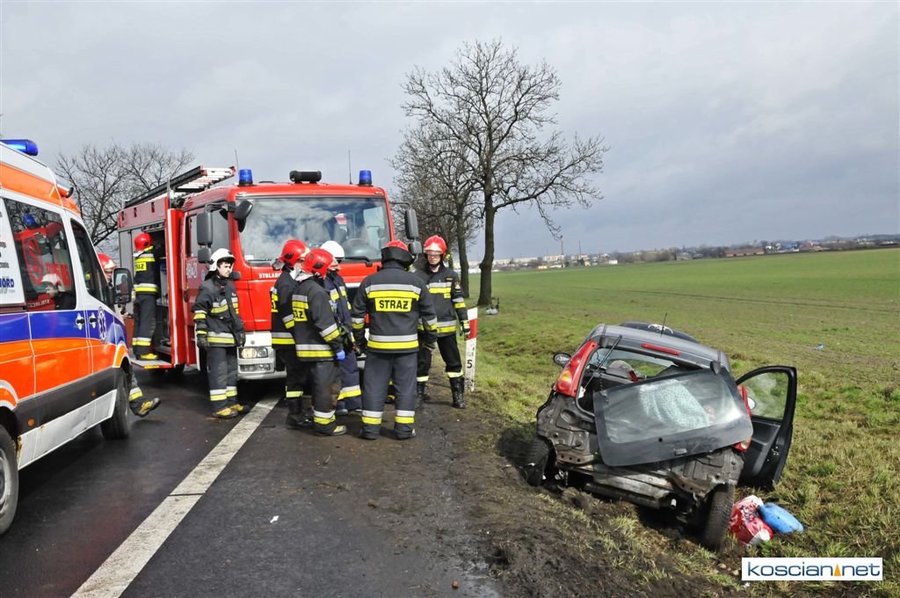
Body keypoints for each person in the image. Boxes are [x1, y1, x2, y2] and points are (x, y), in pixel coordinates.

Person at [351, 240, 437, 441]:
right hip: (407, 349)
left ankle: (370, 430)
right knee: (405, 388)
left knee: (374, 387)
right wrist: (429, 341)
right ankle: (404, 430)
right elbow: (430, 318)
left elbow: (357, 318)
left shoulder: (369, 282)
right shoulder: (416, 283)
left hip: (377, 348)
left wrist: (360, 342)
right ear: (405, 259)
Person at [292, 248, 348, 436]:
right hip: (322, 351)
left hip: (306, 349)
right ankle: (325, 426)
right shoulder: (317, 292)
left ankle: (319, 420)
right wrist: (338, 346)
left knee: (315, 387)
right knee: (326, 388)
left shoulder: (300, 288)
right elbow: (326, 326)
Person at [415, 235, 470, 408]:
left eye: (436, 254)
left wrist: (464, 322)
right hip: (424, 329)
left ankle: (458, 396)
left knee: (454, 363)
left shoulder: (451, 276)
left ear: (442, 255)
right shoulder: (418, 276)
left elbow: (458, 301)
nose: (432, 257)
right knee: (422, 364)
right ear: (426, 255)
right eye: (430, 254)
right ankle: (418, 395)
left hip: (447, 330)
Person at [193, 248, 247, 419]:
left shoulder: (229, 286)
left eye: (230, 266)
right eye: (225, 266)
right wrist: (201, 334)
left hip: (230, 337)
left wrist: (240, 332)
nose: (228, 269)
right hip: (216, 337)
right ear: (216, 266)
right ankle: (219, 407)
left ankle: (231, 402)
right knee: (219, 373)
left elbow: (234, 313)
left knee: (231, 372)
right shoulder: (207, 287)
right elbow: (200, 312)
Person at [271, 239, 313, 429]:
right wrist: (300, 336)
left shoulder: (288, 280)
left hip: (288, 339)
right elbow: (288, 316)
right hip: (288, 340)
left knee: (300, 377)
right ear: (293, 261)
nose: (305, 264)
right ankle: (295, 415)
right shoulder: (286, 284)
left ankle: (300, 412)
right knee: (295, 379)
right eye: (302, 260)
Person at [320, 240, 362, 416]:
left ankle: (353, 404)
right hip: (334, 334)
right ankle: (340, 404)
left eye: (339, 261)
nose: (339, 265)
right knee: (336, 373)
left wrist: (349, 331)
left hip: (345, 332)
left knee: (350, 368)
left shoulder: (337, 280)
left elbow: (344, 306)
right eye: (335, 261)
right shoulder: (323, 282)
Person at [132, 232, 160, 360]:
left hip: (139, 294)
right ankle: (144, 352)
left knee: (139, 322)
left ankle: (137, 350)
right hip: (148, 295)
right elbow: (162, 252)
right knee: (147, 323)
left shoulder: (138, 256)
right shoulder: (152, 254)